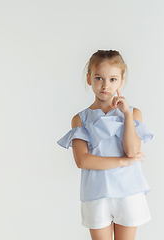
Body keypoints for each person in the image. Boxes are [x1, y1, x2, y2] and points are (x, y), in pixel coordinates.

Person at [57, 50, 154, 240]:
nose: (105, 85)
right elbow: (82, 160)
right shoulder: (80, 119)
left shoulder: (133, 113)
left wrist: (126, 115)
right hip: (96, 194)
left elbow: (132, 151)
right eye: (99, 78)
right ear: (89, 79)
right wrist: (123, 162)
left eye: (112, 79)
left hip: (128, 192)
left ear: (121, 81)